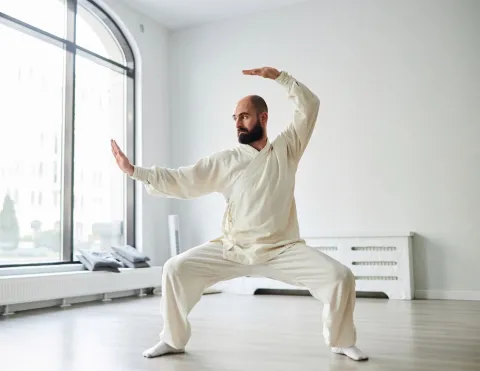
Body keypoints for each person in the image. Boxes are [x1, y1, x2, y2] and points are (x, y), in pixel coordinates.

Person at [111, 67, 368, 362]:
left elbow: (310, 106)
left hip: (281, 249)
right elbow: (185, 178)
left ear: (263, 118)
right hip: (233, 247)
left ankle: (341, 340)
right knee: (174, 268)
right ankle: (173, 339)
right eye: (235, 119)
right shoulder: (227, 160)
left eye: (244, 116)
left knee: (340, 276)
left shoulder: (287, 148)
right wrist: (135, 172)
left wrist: (280, 77)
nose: (238, 124)